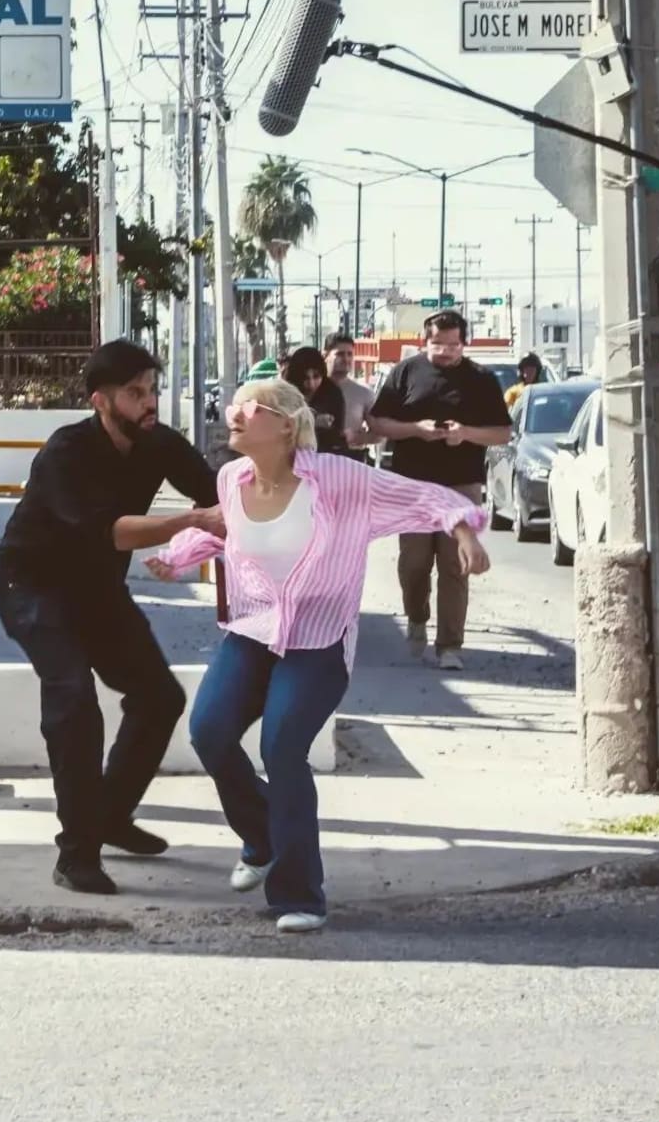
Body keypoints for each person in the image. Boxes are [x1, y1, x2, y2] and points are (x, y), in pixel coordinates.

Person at [147, 378, 490, 933]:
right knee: (208, 730)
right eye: (232, 405)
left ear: (286, 424)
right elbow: (228, 534)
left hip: (319, 639)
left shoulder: (334, 478)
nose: (232, 413)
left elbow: (419, 495)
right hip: (253, 630)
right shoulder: (232, 477)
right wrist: (177, 556)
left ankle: (298, 894)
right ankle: (262, 837)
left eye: (247, 407)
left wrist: (464, 531)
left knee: (282, 747)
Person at [0, 340, 224, 895]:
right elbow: (110, 531)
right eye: (135, 393)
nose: (150, 403)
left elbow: (221, 492)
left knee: (159, 697)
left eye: (153, 390)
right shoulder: (65, 452)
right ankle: (77, 854)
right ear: (101, 400)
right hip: (33, 587)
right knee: (73, 699)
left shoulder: (158, 442)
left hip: (97, 590)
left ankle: (110, 816)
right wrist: (191, 521)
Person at [366, 310, 512, 671]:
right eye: (438, 344)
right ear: (424, 340)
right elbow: (378, 422)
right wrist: (417, 428)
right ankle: (417, 616)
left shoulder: (481, 379)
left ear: (465, 342)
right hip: (412, 483)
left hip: (461, 482)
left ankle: (450, 645)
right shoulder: (406, 373)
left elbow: (502, 433)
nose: (446, 352)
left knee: (454, 564)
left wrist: (465, 434)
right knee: (414, 561)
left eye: (453, 345)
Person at [284, 346, 347, 454]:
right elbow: (281, 425)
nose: (311, 383)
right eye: (305, 378)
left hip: (325, 455)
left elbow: (337, 430)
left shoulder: (333, 393)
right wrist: (313, 421)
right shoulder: (286, 393)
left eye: (316, 376)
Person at [325, 331, 378, 460]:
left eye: (350, 354)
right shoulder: (312, 388)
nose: (346, 359)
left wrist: (358, 438)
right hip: (317, 459)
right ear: (325, 355)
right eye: (340, 354)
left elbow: (380, 433)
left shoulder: (364, 393)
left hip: (351, 460)